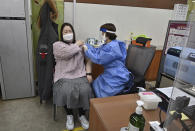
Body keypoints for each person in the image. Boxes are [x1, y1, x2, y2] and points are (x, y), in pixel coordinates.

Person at [53, 23, 93, 130]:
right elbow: (67, 53)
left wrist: (88, 74)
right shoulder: (57, 45)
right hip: (63, 75)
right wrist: (77, 45)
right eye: (65, 32)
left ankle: (81, 115)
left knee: (85, 90)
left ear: (73, 33)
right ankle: (69, 115)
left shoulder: (80, 45)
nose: (68, 33)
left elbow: (88, 60)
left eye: (70, 31)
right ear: (61, 34)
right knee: (67, 90)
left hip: (79, 74)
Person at [83, 23, 134, 98]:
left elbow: (98, 59)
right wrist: (87, 46)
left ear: (107, 34)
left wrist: (87, 51)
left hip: (117, 75)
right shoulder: (109, 44)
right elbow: (97, 51)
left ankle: (103, 106)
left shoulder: (112, 47)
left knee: (101, 91)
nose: (101, 35)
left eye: (102, 33)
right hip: (110, 72)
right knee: (95, 85)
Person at [36, 0, 58, 103]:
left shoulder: (49, 26)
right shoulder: (47, 5)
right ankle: (45, 94)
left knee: (46, 70)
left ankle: (45, 94)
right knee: (46, 70)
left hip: (45, 46)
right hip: (46, 47)